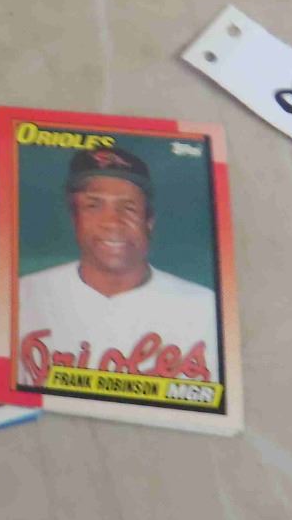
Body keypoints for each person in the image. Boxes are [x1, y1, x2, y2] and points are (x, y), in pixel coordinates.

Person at [16, 147, 219, 385]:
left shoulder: (204, 308)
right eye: (93, 206)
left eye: (129, 207)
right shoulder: (23, 296)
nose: (112, 222)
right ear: (75, 219)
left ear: (149, 221)